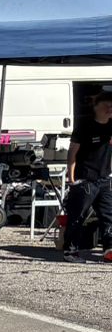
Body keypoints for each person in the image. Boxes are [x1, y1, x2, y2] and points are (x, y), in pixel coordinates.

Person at [62, 89, 112, 260]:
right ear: (96, 107)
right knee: (78, 216)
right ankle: (70, 250)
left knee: (108, 215)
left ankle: (109, 249)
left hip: (105, 178)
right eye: (106, 106)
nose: (109, 109)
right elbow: (72, 152)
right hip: (86, 179)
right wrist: (71, 176)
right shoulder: (85, 126)